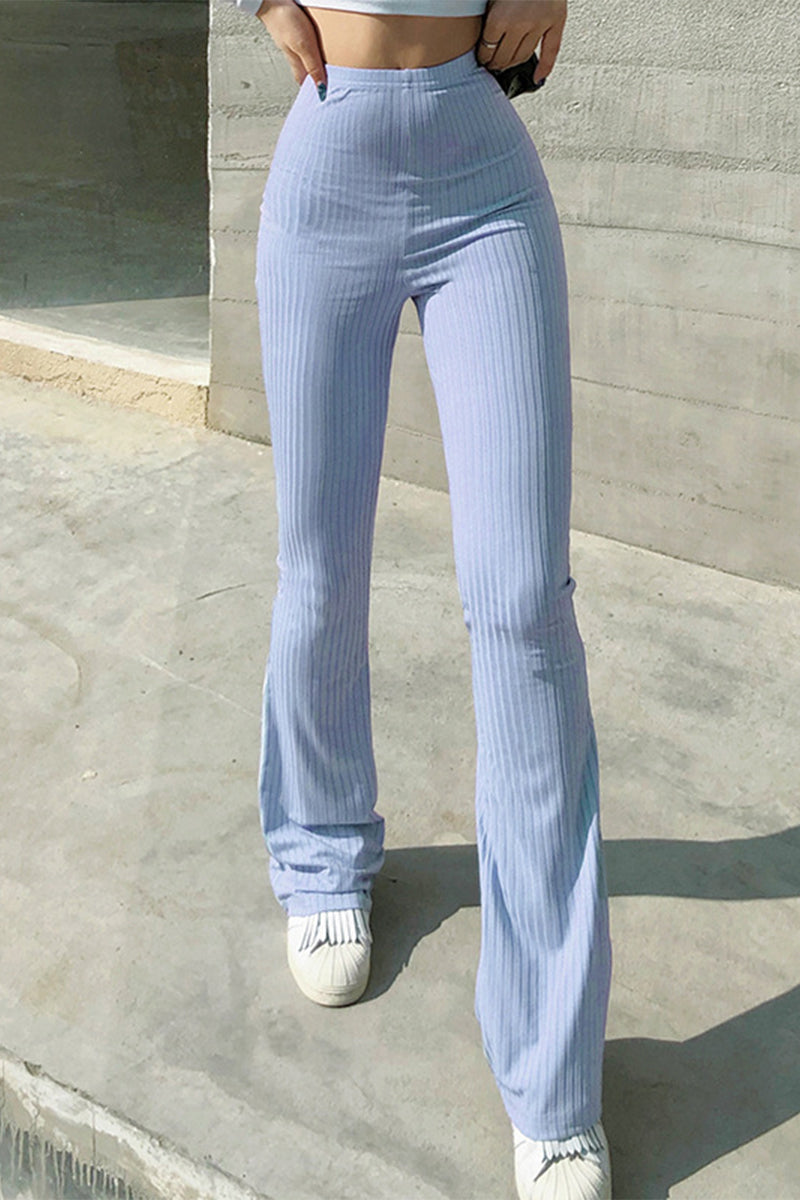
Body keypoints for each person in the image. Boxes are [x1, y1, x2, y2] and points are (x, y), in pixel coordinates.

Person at [224, 2, 613, 1196]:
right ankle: (320, 853)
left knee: (522, 606)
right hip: (328, 152)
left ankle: (551, 1084)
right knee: (318, 561)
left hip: (478, 174)